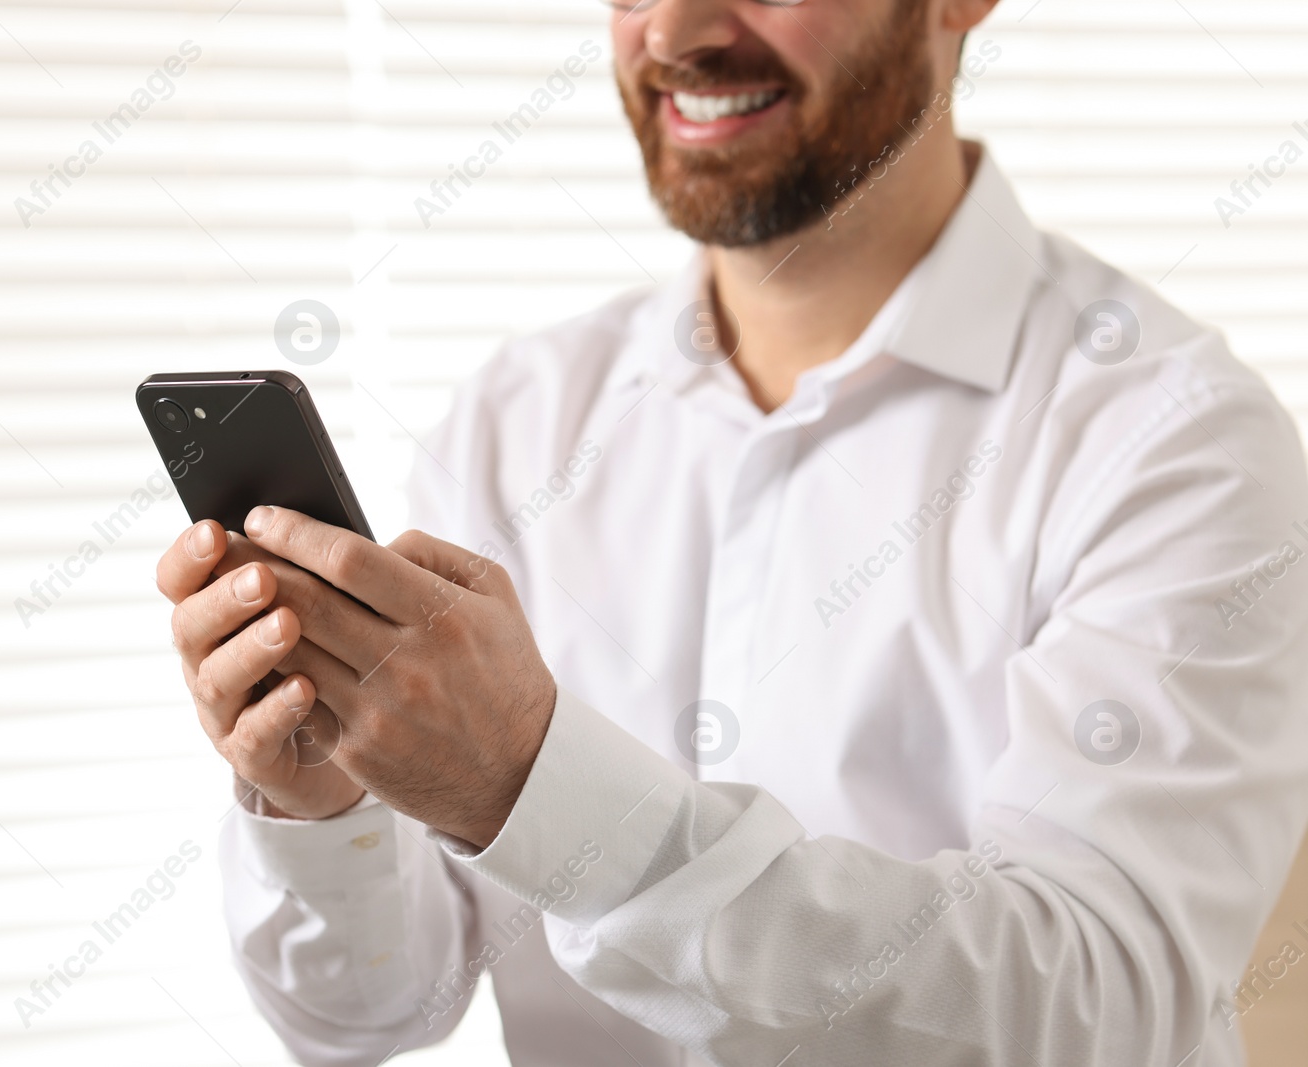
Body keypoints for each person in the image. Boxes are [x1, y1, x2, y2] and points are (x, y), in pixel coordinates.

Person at [155, 0, 1308, 1062]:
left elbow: (1093, 1009)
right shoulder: (515, 420)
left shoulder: (1175, 442)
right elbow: (372, 1009)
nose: (677, 31)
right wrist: (327, 808)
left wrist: (532, 787)